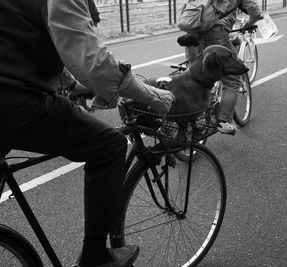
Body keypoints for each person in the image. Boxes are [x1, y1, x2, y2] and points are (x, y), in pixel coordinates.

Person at [0, 1, 174, 267]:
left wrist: (71, 84)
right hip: (15, 100)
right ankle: (95, 257)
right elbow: (91, 59)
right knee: (110, 146)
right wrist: (151, 96)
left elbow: (31, 35)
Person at [186, 0, 263, 134]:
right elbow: (255, 11)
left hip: (191, 30)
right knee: (232, 80)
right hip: (215, 32)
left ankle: (184, 114)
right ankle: (223, 121)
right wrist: (249, 23)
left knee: (192, 76)